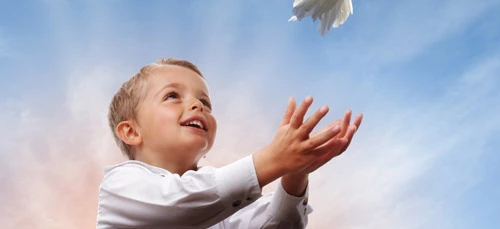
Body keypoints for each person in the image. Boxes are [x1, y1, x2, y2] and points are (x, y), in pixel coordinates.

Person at [97, 58, 363, 228]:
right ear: (131, 132)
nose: (197, 105)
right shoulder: (120, 188)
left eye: (206, 102)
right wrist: (273, 159)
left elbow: (277, 224)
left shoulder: (221, 200)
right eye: (172, 96)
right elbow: (178, 204)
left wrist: (294, 174)